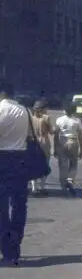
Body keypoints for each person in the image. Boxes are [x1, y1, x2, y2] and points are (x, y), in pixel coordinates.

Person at [0, 79, 31, 265]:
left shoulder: (1, 109)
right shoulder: (24, 111)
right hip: (21, 158)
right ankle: (15, 241)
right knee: (20, 204)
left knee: (2, 205)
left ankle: (7, 246)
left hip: (2, 158)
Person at [54, 103, 82, 196]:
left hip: (62, 141)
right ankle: (70, 180)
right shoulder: (77, 121)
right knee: (73, 164)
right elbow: (80, 136)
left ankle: (63, 186)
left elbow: (56, 135)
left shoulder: (59, 120)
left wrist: (55, 148)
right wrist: (81, 149)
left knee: (63, 165)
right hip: (73, 141)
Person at [29, 100, 53, 195]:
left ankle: (34, 187)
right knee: (45, 164)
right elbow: (51, 131)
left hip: (34, 142)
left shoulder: (31, 118)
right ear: (43, 109)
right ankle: (42, 186)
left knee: (33, 164)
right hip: (44, 142)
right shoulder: (46, 118)